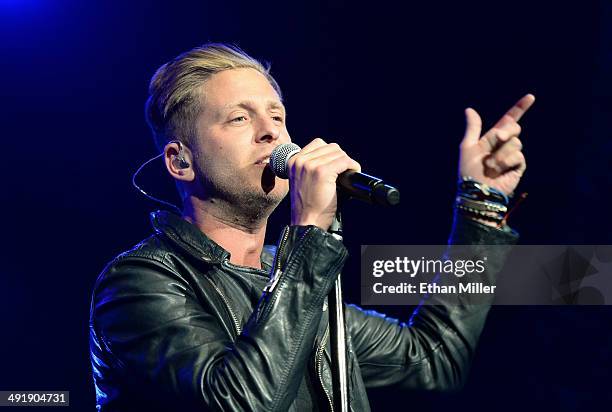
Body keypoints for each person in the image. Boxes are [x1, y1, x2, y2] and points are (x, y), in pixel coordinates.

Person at [89, 43, 534, 411]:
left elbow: (434, 361)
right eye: (240, 118)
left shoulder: (290, 279)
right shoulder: (140, 282)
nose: (272, 134)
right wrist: (312, 235)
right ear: (180, 161)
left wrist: (481, 206)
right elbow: (241, 403)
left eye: (277, 117)